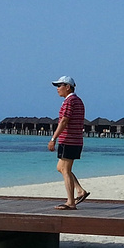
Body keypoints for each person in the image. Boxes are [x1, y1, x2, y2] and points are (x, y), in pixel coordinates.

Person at [48, 76, 89, 210]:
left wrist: (53, 138)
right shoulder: (78, 100)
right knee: (60, 167)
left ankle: (71, 202)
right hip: (75, 140)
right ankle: (80, 191)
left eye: (59, 86)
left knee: (65, 170)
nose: (57, 89)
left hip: (69, 140)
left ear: (67, 87)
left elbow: (64, 120)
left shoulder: (69, 101)